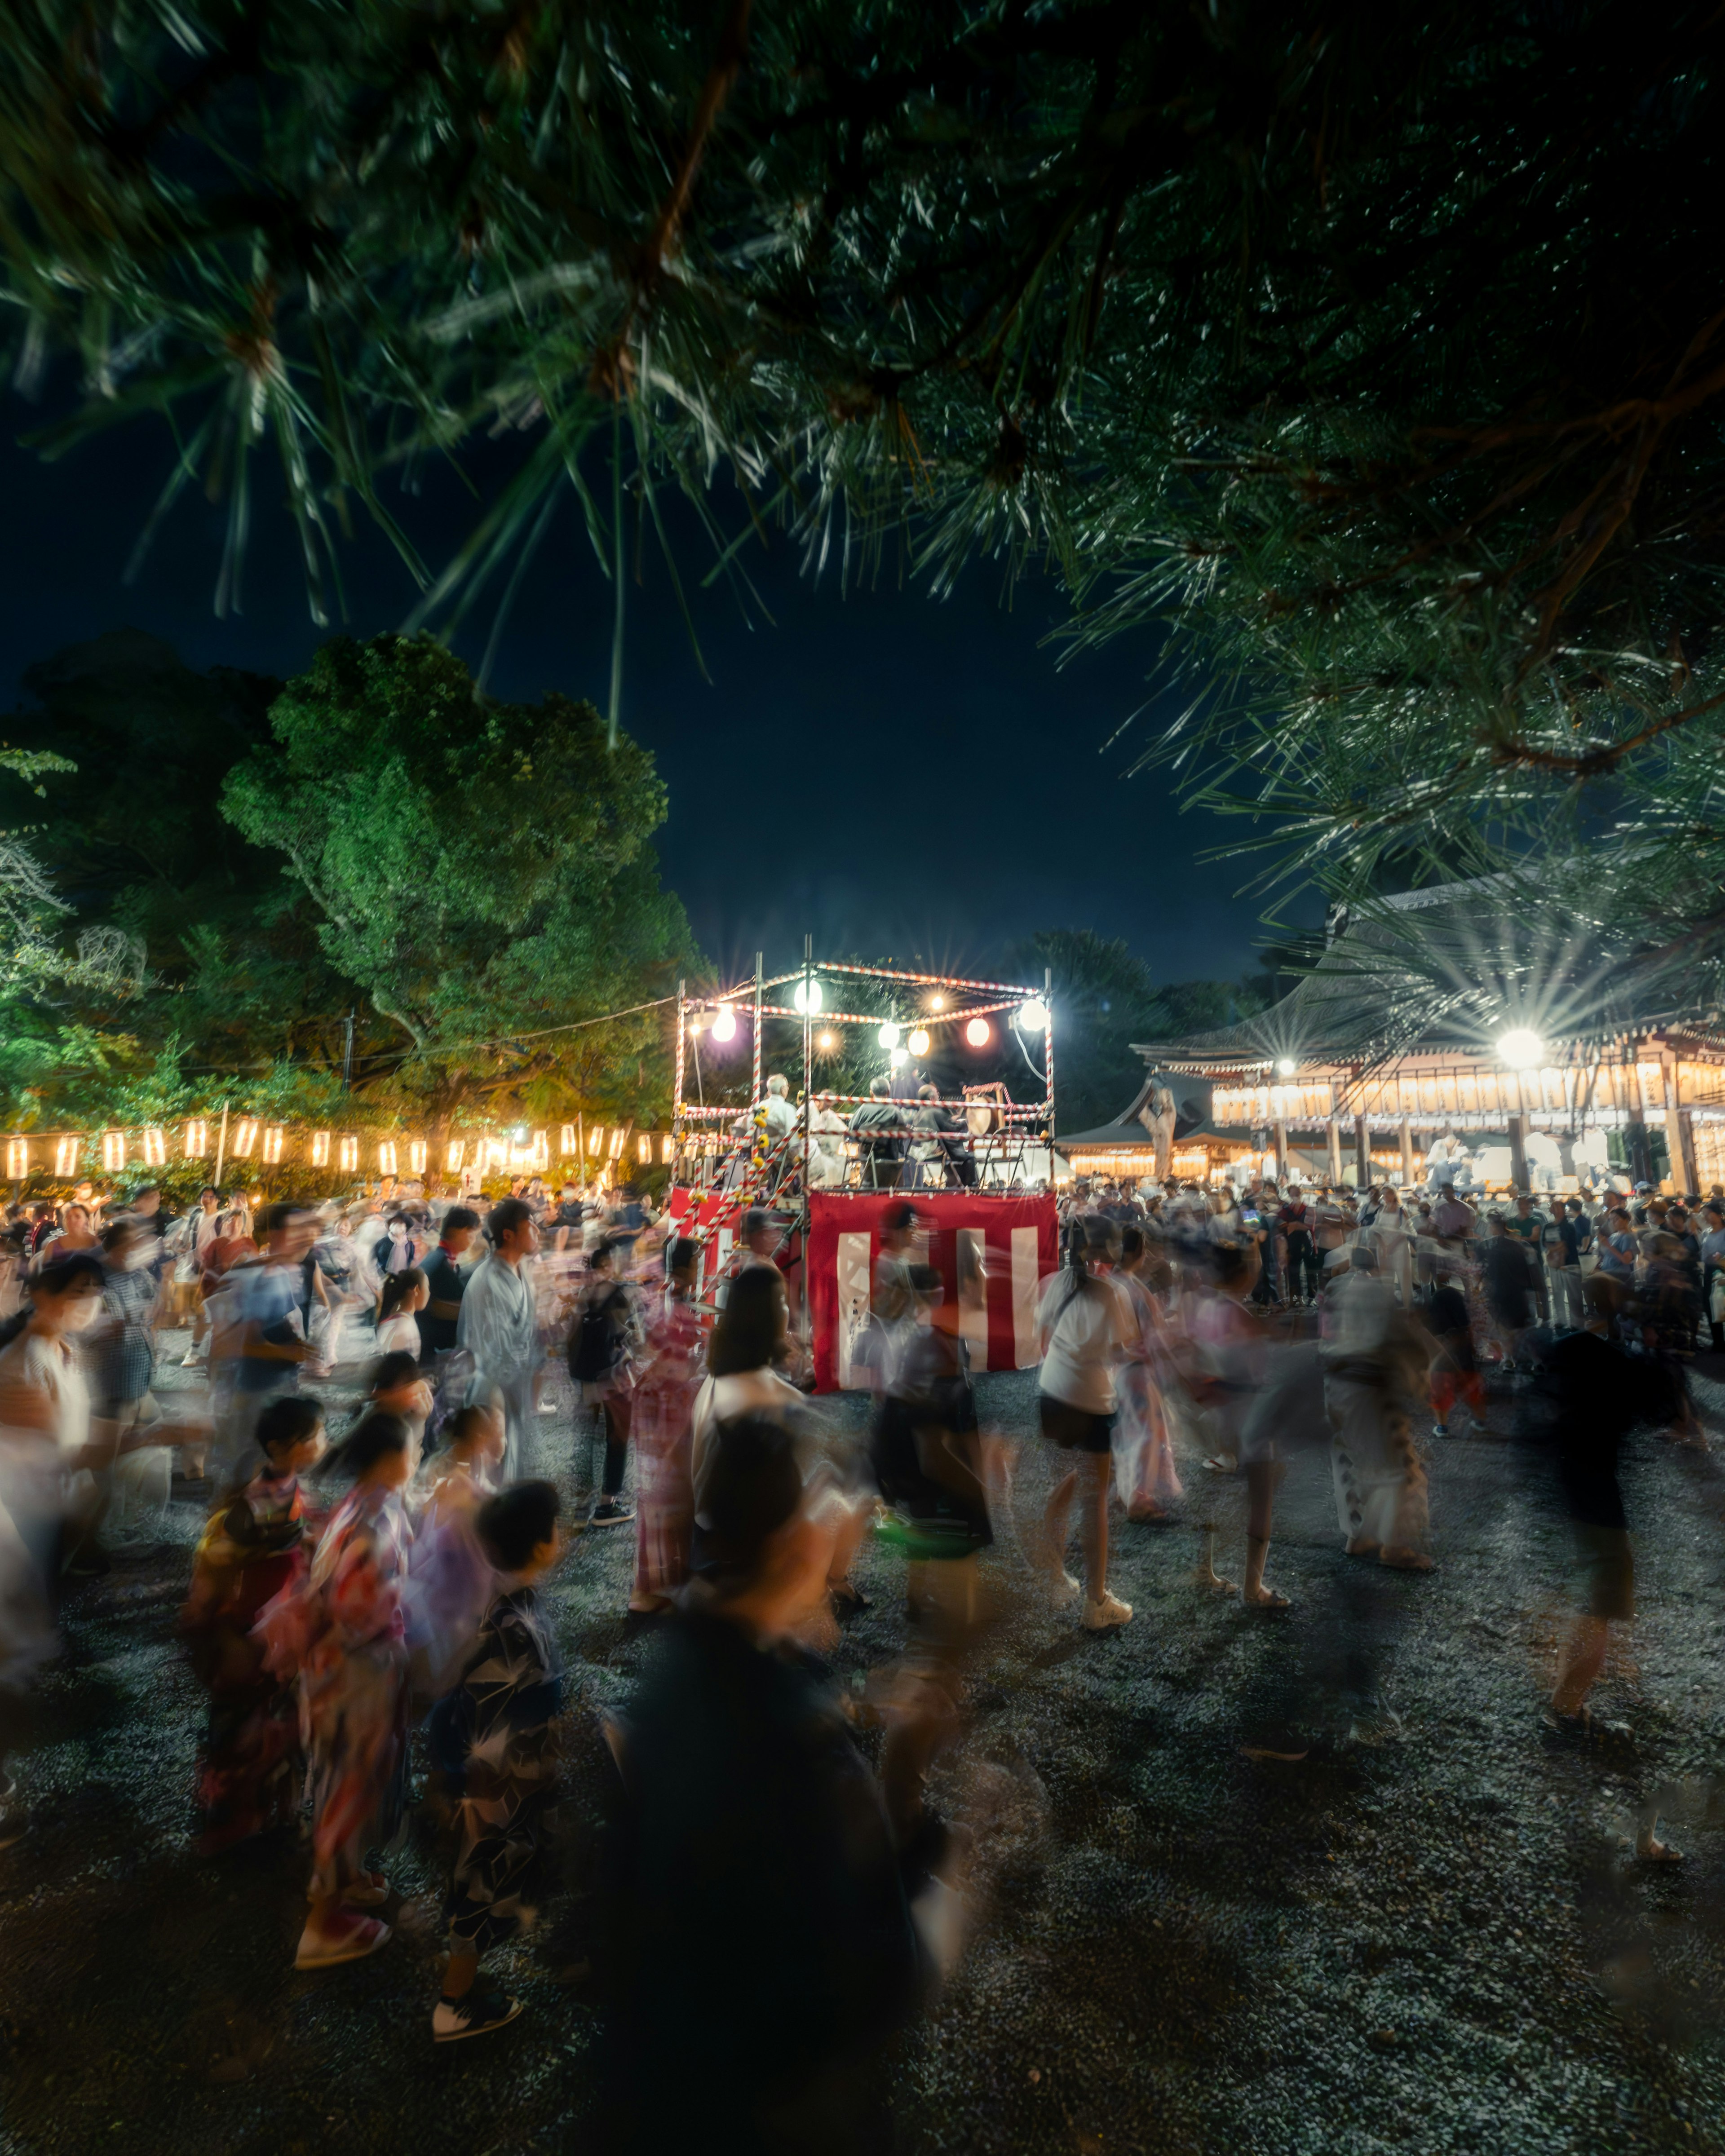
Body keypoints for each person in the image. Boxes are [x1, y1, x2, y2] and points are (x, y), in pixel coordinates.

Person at [604, 1415, 925, 2152]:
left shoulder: (675, 1671)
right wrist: (942, 1850)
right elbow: (876, 1976)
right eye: (825, 1499)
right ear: (794, 1542)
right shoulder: (794, 1741)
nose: (843, 1515)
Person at [261, 1410, 415, 1970]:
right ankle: (323, 1924)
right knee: (345, 1792)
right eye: (412, 1447)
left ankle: (343, 1882)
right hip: (354, 1676)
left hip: (339, 1671)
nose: (418, 1456)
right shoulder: (371, 1524)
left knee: (344, 1785)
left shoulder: (365, 1502)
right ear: (388, 1460)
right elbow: (359, 1613)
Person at [430, 1480, 565, 2041]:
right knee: (483, 1888)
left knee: (486, 1882)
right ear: (539, 1548)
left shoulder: (507, 1605)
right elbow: (506, 1717)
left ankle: (461, 1990)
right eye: (557, 1529)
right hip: (501, 1789)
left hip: (498, 1783)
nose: (564, 1536)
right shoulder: (518, 1628)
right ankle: (452, 2006)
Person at [182, 1397, 327, 1853]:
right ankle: (239, 1822)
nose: (325, 1442)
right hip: (253, 1634)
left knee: (267, 1724)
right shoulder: (256, 1506)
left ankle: (261, 1815)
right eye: (318, 1434)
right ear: (286, 1447)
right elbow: (221, 1565)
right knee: (254, 1728)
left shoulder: (276, 1490)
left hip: (272, 1628)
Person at [0, 1250, 106, 1847]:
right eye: (80, 1291)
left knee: (18, 1647)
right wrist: (159, 1432)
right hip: (15, 1515)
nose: (89, 1302)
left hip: (38, 1516)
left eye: (96, 1290)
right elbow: (64, 1448)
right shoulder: (18, 1366)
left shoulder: (63, 1351)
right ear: (42, 1294)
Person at [1035, 1219, 1133, 1630]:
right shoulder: (1113, 1293)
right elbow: (1118, 1351)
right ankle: (1096, 1602)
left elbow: (1042, 1337)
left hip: (1051, 1395)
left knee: (1062, 1487)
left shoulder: (1056, 1282)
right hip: (1091, 1402)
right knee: (1095, 1500)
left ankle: (1054, 1577)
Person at [1324, 1246, 1433, 1570]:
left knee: (1350, 1463)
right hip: (1371, 1389)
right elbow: (1403, 1342)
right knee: (1400, 1470)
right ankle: (1395, 1546)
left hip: (1336, 1386)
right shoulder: (1378, 1293)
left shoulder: (1335, 1291)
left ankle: (1359, 1536)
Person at [208, 1202, 318, 1493]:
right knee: (245, 1471)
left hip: (275, 1387)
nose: (307, 1236)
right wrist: (289, 1352)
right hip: (250, 1394)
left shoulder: (281, 1275)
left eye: (310, 1228)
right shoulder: (252, 1277)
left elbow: (278, 1326)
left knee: (266, 1468)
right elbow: (231, 1343)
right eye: (298, 1229)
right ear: (274, 1233)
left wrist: (297, 1345)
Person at [626, 1237, 705, 1616]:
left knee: (668, 1500)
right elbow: (672, 1365)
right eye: (697, 1263)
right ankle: (649, 1591)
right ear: (687, 1266)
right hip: (663, 1412)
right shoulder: (670, 1304)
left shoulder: (664, 1297)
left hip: (660, 1409)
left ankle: (665, 1584)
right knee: (661, 1500)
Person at [407, 1402, 505, 1698]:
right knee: (459, 1617)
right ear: (478, 1439)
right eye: (494, 1434)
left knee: (452, 1618)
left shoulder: (451, 1462)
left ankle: (445, 1677)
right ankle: (446, 1684)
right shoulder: (456, 1472)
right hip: (454, 1555)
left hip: (447, 1553)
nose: (499, 1442)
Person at [456, 1198, 542, 1480]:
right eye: (531, 1226)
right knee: (491, 1477)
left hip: (513, 1390)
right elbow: (490, 1353)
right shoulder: (488, 1282)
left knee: (509, 1473)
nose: (538, 1232)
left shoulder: (521, 1272)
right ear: (508, 1235)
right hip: (492, 1392)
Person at [567, 1237, 641, 1528]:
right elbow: (637, 1338)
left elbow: (572, 1335)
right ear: (611, 1264)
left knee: (585, 1440)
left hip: (586, 1376)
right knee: (618, 1438)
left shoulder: (584, 1294)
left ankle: (580, 1507)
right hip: (615, 1377)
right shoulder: (624, 1294)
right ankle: (607, 1505)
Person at [1110, 1226, 1181, 1521]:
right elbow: (1155, 1337)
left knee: (1126, 1434)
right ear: (1138, 1253)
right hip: (1138, 1371)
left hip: (1116, 1371)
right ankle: (1139, 1498)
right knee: (1147, 1436)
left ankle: (1125, 1491)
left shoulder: (1109, 1283)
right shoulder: (1136, 1291)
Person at [1427, 1271, 1485, 1438]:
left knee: (1439, 1389)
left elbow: (1435, 1335)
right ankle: (1480, 1421)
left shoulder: (1435, 1301)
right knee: (1469, 1385)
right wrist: (1473, 1348)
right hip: (1463, 1348)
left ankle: (1442, 1428)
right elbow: (1468, 1326)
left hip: (1445, 1350)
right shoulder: (1456, 1296)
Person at [911, 1083, 977, 1189]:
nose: (939, 1095)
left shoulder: (919, 1114)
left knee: (949, 1157)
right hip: (936, 1152)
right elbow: (953, 1128)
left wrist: (950, 1120)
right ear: (931, 1098)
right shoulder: (935, 1111)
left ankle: (954, 1183)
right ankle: (973, 1188)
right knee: (969, 1157)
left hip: (921, 1152)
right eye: (937, 1093)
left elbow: (945, 1125)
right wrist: (968, 1121)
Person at [850, 1076, 908, 1190]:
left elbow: (852, 1130)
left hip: (867, 1155)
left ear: (871, 1093)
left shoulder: (864, 1108)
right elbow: (903, 1134)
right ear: (889, 1092)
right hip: (890, 1155)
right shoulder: (895, 1111)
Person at [375, 1266, 428, 1358]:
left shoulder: (402, 1322)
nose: (429, 1293)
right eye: (428, 1287)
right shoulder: (403, 1329)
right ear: (416, 1290)